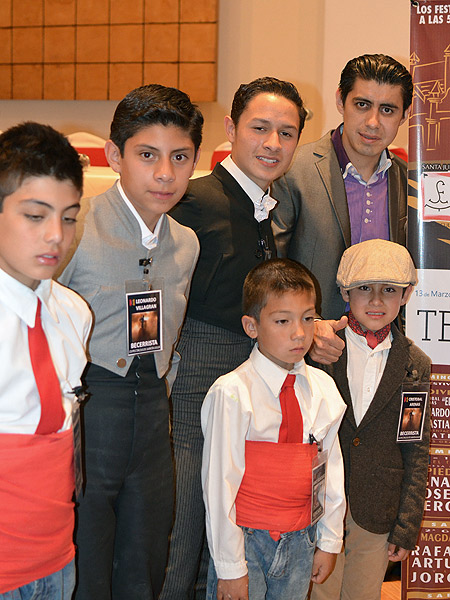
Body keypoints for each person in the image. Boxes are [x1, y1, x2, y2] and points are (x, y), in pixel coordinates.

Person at [160, 77, 306, 599]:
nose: (272, 143)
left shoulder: (267, 206)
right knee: (183, 532)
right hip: (195, 384)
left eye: (286, 133)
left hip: (244, 387)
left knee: (226, 536)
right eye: (259, 128)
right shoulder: (195, 201)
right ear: (231, 128)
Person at [57, 84, 202, 600]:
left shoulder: (186, 243)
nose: (165, 173)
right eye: (147, 155)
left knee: (146, 557)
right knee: (86, 558)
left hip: (153, 413)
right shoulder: (75, 228)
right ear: (115, 156)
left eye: (180, 157)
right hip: (89, 410)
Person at [201, 258, 346, 600]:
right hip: (247, 541)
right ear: (251, 326)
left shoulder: (323, 389)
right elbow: (219, 484)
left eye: (308, 318)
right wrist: (230, 568)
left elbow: (331, 471)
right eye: (283, 320)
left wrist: (328, 540)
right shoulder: (232, 392)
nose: (299, 333)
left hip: (301, 540)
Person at [0, 122, 92, 599]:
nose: (56, 235)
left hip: (57, 560)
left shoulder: (72, 313)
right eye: (35, 216)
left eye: (69, 217)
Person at [310, 239, 431, 600]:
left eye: (389, 290)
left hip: (378, 508)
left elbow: (415, 448)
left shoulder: (415, 365)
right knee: (319, 592)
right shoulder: (323, 348)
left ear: (406, 295)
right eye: (364, 288)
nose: (376, 300)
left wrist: (407, 525)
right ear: (345, 292)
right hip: (318, 504)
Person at [272, 54, 413, 321]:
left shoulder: (412, 184)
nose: (373, 122)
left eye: (387, 110)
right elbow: (272, 269)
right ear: (340, 100)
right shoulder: (293, 171)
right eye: (362, 105)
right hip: (311, 337)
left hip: (388, 340)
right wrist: (310, 325)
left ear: (405, 114)